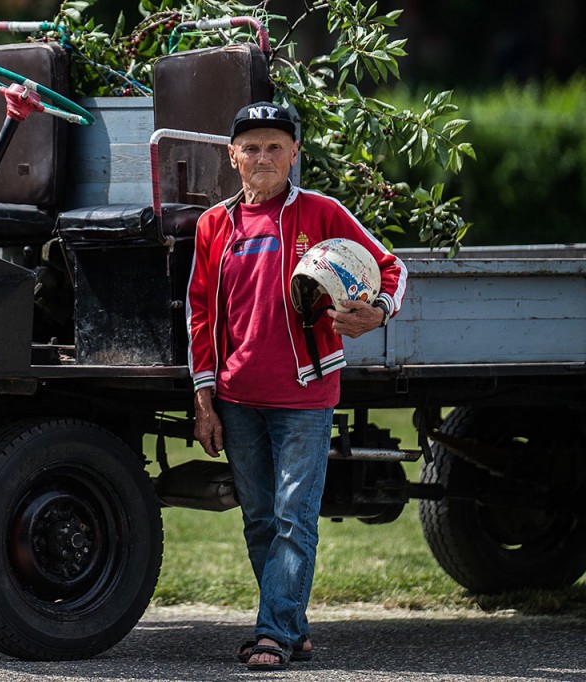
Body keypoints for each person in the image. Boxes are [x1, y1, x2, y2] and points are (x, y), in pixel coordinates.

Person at [186, 101, 407, 670]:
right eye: (252, 147)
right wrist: (204, 398)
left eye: (275, 147)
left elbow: (392, 267)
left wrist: (377, 311)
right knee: (259, 518)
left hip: (305, 396)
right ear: (232, 155)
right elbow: (200, 314)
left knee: (292, 517)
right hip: (236, 398)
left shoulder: (321, 212)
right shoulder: (215, 225)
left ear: (294, 154)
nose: (263, 157)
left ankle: (274, 632)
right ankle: (292, 625)